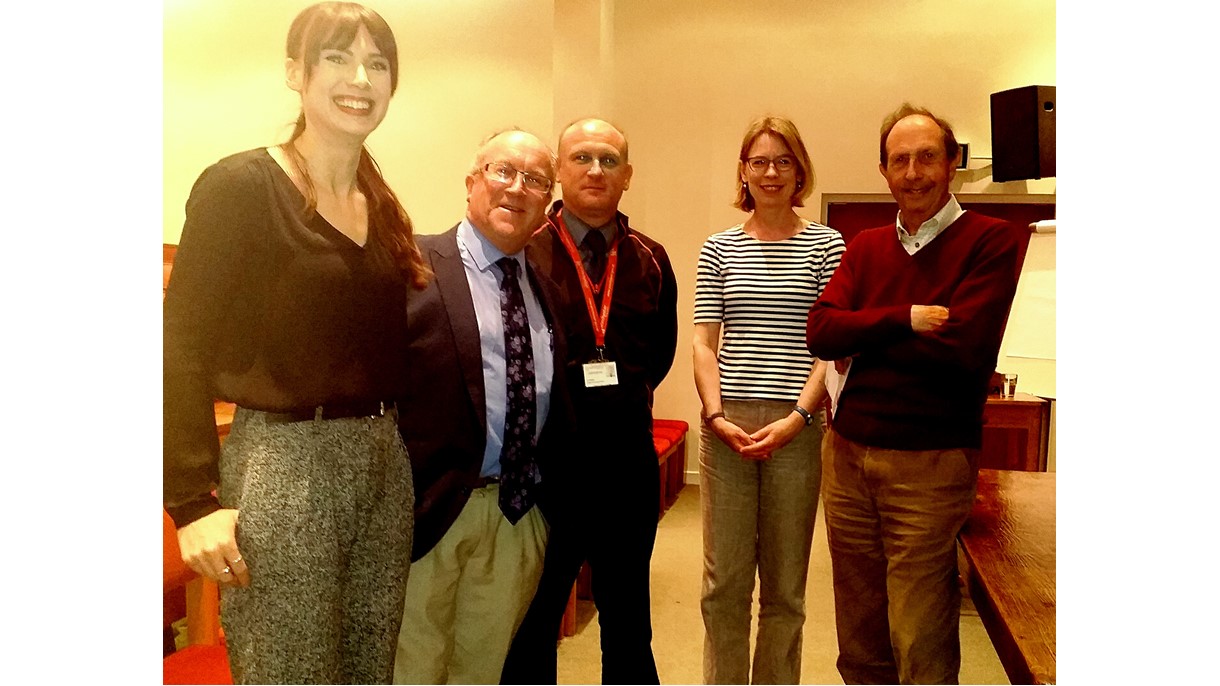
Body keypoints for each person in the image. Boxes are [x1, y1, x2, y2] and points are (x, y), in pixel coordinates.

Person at [162, 3, 427, 683]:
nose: (360, 78)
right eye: (337, 58)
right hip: (286, 464)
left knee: (369, 669)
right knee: (292, 673)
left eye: (377, 63)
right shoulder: (241, 186)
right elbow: (180, 344)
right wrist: (192, 503)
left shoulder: (382, 200)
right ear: (295, 73)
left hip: (379, 462)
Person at [805, 103, 1024, 685]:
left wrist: (864, 330)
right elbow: (822, 331)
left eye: (927, 156)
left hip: (930, 465)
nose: (914, 171)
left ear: (951, 163)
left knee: (919, 632)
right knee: (858, 635)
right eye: (899, 160)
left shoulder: (992, 240)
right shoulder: (866, 244)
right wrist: (906, 319)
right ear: (884, 171)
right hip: (847, 458)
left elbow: (962, 352)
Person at [391, 129, 570, 684]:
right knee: (414, 673)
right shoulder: (411, 268)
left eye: (536, 180)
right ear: (472, 182)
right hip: (431, 516)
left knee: (483, 673)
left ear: (547, 202)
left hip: (515, 516)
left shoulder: (547, 288)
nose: (517, 189)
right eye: (503, 171)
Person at [502, 118, 678, 684]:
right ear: (559, 171)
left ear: (627, 175)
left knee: (628, 621)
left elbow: (661, 354)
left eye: (609, 160)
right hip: (546, 470)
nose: (595, 170)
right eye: (581, 158)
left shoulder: (652, 259)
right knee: (535, 617)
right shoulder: (524, 255)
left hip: (627, 466)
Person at [693, 116, 845, 684]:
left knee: (785, 587)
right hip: (727, 428)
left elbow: (828, 350)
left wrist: (799, 418)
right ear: (744, 172)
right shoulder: (720, 247)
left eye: (783, 161)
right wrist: (715, 416)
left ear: (799, 169)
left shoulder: (827, 244)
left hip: (797, 431)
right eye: (759, 161)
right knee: (724, 583)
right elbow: (704, 343)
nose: (771, 172)